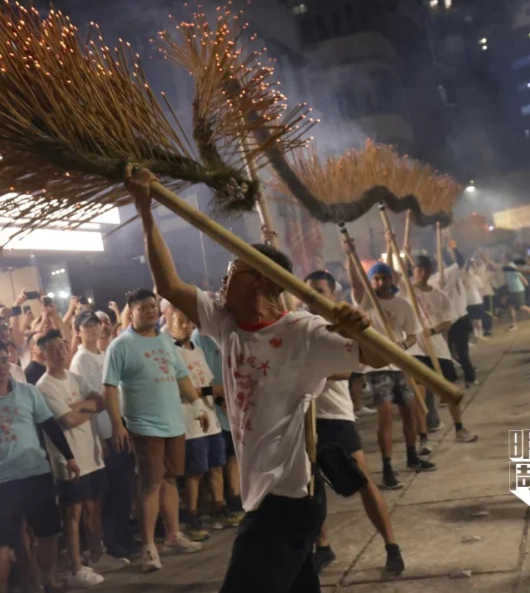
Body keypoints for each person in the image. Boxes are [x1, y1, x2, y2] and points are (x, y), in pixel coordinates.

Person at [126, 166, 385, 593]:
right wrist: (144, 208)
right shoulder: (226, 323)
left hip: (288, 498)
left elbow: (375, 357)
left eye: (233, 272)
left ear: (260, 278)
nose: (223, 280)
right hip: (263, 495)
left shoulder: (302, 332)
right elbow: (168, 285)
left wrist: (360, 329)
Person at [304, 270, 404, 575]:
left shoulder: (340, 328)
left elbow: (346, 370)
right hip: (303, 417)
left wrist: (304, 369)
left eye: (321, 290)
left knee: (363, 482)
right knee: (310, 487)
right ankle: (323, 545)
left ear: (333, 294)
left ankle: (391, 546)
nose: (314, 297)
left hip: (334, 416)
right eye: (309, 291)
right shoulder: (299, 326)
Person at [0, 340, 79, 593]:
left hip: (35, 472)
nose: (1, 367)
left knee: (48, 533)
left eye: (5, 360)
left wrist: (69, 457)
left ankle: (47, 580)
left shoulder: (28, 392)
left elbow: (49, 425)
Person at [103, 289, 207, 572]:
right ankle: (149, 546)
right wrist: (117, 423)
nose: (150, 311)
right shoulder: (120, 346)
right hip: (144, 425)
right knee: (150, 484)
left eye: (152, 306)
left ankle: (173, 535)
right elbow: (109, 388)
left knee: (170, 480)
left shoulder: (165, 340)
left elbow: (181, 375)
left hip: (174, 423)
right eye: (143, 307)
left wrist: (198, 405)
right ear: (131, 311)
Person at [340, 258, 434, 491]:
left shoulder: (403, 305)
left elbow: (412, 334)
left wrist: (402, 346)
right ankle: (387, 468)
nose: (380, 283)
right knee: (386, 416)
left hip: (400, 365)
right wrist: (350, 256)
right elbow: (355, 283)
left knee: (410, 411)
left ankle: (412, 456)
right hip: (377, 368)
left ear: (392, 280)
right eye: (376, 278)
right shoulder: (365, 301)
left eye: (384, 278)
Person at [35, 329, 116, 587]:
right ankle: (76, 567)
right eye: (53, 349)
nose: (60, 352)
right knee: (73, 513)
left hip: (91, 452)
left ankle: (97, 556)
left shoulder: (75, 377)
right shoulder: (43, 387)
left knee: (95, 505)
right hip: (69, 458)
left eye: (62, 346)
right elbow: (66, 420)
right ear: (42, 355)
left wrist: (80, 407)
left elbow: (100, 402)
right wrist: (86, 409)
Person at [70, 311, 137, 561]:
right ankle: (113, 542)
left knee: (123, 489)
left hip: (117, 427)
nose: (93, 329)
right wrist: (98, 437)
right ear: (78, 331)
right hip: (104, 433)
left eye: (95, 324)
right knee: (112, 492)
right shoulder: (81, 360)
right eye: (87, 326)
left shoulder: (103, 354)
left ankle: (124, 537)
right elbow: (90, 402)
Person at [169, 308, 238, 539]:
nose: (185, 326)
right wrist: (213, 391)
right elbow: (184, 389)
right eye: (180, 322)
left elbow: (206, 382)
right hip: (190, 420)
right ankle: (192, 515)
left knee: (217, 465)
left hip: (211, 417)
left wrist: (218, 400)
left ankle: (219, 507)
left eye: (188, 321)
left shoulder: (197, 350)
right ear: (170, 324)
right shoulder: (172, 353)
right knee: (195, 471)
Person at [410, 256, 480, 443]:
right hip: (415, 348)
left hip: (436, 346)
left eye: (426, 270)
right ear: (413, 270)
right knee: (420, 392)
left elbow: (448, 322)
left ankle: (459, 428)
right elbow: (393, 274)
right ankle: (423, 437)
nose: (422, 273)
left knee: (449, 389)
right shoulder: (407, 291)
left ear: (430, 271)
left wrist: (432, 330)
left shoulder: (440, 295)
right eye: (418, 269)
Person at [191, 321, 245, 521]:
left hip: (234, 401)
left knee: (234, 454)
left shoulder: (229, 332)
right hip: (213, 405)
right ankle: (214, 505)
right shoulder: (198, 338)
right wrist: (220, 398)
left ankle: (236, 498)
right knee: (216, 462)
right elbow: (202, 380)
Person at [433, 241, 478, 386]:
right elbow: (460, 261)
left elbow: (460, 262)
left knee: (456, 352)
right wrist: (454, 247)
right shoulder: (442, 276)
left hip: (453, 320)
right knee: (453, 353)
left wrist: (451, 247)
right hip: (450, 321)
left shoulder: (446, 276)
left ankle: (468, 377)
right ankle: (462, 378)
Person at [502, 259, 530, 330]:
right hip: (513, 290)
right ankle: (514, 325)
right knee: (510, 306)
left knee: (522, 307)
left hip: (518, 290)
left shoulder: (513, 267)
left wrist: (528, 287)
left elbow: (522, 277)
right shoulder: (507, 267)